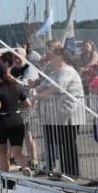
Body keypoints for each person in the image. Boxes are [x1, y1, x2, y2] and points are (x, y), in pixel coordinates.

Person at [36, 48, 85, 178]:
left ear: (61, 57)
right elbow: (44, 84)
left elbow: (58, 87)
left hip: (70, 114)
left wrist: (39, 95)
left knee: (68, 143)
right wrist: (39, 90)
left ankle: (71, 173)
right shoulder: (56, 71)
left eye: (52, 56)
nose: (49, 58)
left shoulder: (66, 70)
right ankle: (64, 171)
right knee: (62, 143)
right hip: (59, 115)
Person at [0, 62, 32, 173]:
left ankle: (6, 177)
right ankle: (25, 167)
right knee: (17, 153)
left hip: (2, 122)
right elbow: (28, 103)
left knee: (2, 153)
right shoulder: (16, 86)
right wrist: (16, 105)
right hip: (17, 119)